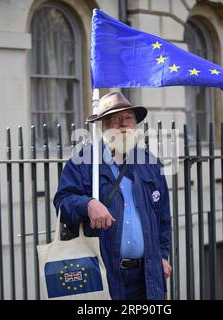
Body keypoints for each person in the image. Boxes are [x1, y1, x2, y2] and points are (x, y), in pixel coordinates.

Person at [53, 91, 172, 300]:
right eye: (116, 120)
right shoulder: (83, 162)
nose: (124, 125)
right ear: (104, 127)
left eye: (129, 119)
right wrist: (87, 204)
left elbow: (163, 217)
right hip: (104, 274)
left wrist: (162, 256)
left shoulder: (150, 163)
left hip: (147, 277)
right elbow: (62, 203)